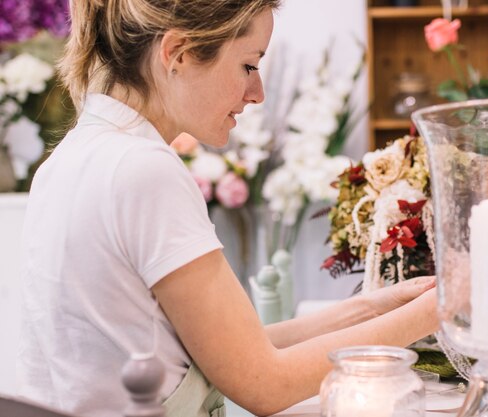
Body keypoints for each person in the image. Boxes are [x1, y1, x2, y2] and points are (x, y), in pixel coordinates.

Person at [17, 1, 439, 416]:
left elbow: (235, 352)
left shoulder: (68, 161)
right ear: (178, 53)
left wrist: (373, 307)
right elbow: (264, 384)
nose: (257, 94)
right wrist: (443, 308)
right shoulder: (143, 170)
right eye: (249, 66)